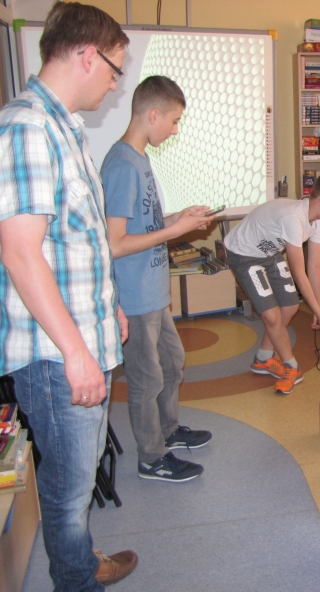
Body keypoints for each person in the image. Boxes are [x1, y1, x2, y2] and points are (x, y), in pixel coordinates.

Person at [0, 3, 136, 592]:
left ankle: (80, 560)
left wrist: (108, 306)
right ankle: (76, 586)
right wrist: (75, 352)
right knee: (69, 486)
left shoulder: (62, 127)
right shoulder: (25, 129)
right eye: (115, 70)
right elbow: (23, 255)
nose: (115, 84)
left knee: (80, 469)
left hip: (79, 338)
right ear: (86, 56)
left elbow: (77, 241)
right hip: (54, 354)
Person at [101, 76, 216, 483]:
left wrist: (180, 219)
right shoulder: (121, 166)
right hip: (134, 297)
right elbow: (115, 243)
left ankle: (167, 431)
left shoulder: (140, 158)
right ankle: (151, 457)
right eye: (174, 120)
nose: (175, 129)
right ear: (153, 115)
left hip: (152, 291)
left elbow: (145, 223)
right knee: (146, 379)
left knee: (171, 363)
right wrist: (174, 231)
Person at [224, 172, 320, 394]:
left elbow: (315, 266)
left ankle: (264, 358)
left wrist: (318, 308)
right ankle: (291, 366)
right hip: (244, 254)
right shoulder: (293, 218)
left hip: (268, 253)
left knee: (291, 306)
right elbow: (298, 271)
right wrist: (316, 310)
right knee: (271, 315)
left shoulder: (319, 221)